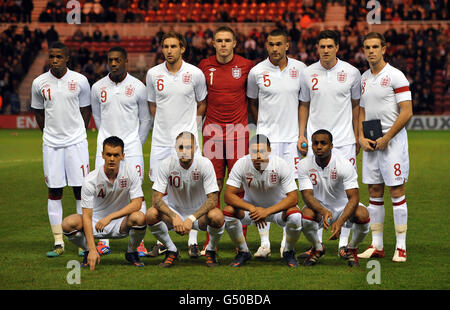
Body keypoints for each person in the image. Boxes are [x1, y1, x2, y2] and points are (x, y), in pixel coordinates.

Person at [298, 30, 361, 258]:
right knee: (315, 191)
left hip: (343, 141)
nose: (325, 50)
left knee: (346, 194)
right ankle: (317, 244)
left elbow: (356, 106)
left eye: (329, 46)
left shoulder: (352, 73)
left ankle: (343, 244)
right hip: (316, 142)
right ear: (318, 48)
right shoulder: (307, 73)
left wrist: (357, 135)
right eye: (322, 46)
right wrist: (302, 134)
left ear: (337, 48)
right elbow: (304, 104)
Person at [146, 31, 207, 258]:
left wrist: (193, 131)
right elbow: (153, 106)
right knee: (160, 191)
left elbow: (202, 103)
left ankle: (192, 240)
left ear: (182, 48)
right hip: (161, 142)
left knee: (192, 187)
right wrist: (163, 127)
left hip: (188, 142)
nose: (169, 50)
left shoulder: (195, 74)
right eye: (165, 46)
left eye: (174, 46)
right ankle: (165, 242)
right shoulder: (153, 74)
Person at [247, 28, 306, 258]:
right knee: (264, 189)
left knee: (288, 189)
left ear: (287, 45)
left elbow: (304, 103)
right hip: (266, 140)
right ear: (266, 45)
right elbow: (252, 102)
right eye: (271, 44)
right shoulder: (256, 72)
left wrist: (302, 135)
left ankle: (284, 242)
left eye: (279, 44)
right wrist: (263, 127)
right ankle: (264, 244)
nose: (274, 48)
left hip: (292, 140)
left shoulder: (300, 70)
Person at [31, 41, 91, 257]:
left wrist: (77, 134)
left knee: (80, 191)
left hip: (76, 144)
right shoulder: (39, 83)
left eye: (59, 57)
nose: (54, 60)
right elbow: (38, 113)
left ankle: (82, 241)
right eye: (52, 56)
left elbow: (86, 110)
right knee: (54, 191)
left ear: (67, 58)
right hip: (52, 145)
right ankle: (58, 242)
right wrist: (50, 134)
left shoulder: (80, 81)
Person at [197, 26, 254, 256]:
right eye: (219, 40)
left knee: (240, 186)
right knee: (214, 187)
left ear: (234, 43)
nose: (223, 44)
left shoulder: (246, 66)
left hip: (239, 133)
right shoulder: (204, 66)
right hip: (212, 133)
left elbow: (252, 100)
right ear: (213, 43)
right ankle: (211, 242)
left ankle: (242, 241)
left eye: (227, 40)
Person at [91, 46, 152, 257]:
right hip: (106, 149)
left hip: (132, 149)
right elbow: (97, 118)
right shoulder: (98, 87)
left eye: (117, 60)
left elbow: (145, 120)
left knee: (136, 194)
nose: (113, 63)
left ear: (126, 61)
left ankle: (138, 242)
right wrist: (108, 143)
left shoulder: (138, 87)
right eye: (110, 60)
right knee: (102, 193)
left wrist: (135, 144)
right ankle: (102, 240)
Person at [357, 32, 413, 262]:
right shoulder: (363, 78)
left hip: (393, 143)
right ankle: (377, 245)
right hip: (371, 142)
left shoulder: (395, 76)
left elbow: (407, 111)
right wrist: (360, 136)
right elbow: (361, 110)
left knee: (396, 192)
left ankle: (401, 247)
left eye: (374, 47)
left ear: (384, 49)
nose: (370, 51)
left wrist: (388, 137)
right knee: (374, 192)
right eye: (367, 47)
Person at [62, 136, 147, 270]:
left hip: (120, 222)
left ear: (123, 156)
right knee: (67, 224)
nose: (112, 159)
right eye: (108, 154)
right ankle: (87, 251)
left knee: (140, 217)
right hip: (96, 223)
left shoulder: (130, 171)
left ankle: (131, 252)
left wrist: (110, 217)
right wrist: (92, 249)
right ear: (102, 155)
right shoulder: (91, 180)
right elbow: (87, 216)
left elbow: (137, 204)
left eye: (116, 155)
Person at [222, 134, 303, 267]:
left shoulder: (280, 164)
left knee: (295, 216)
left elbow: (293, 198)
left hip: (278, 210)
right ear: (249, 151)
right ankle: (243, 251)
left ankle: (289, 251)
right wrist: (252, 209)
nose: (258, 155)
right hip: (252, 211)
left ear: (270, 150)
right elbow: (228, 195)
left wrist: (266, 211)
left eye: (262, 151)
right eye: (254, 151)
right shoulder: (242, 163)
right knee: (228, 212)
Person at [146, 132, 224, 267]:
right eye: (181, 147)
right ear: (176, 148)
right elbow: (156, 198)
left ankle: (211, 250)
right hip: (173, 212)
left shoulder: (205, 164)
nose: (185, 151)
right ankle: (171, 250)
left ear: (196, 148)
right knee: (150, 214)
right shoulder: (167, 164)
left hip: (198, 215)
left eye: (189, 147)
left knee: (217, 216)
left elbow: (213, 199)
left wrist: (191, 219)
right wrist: (174, 216)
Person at [298, 129, 370, 267]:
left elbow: (354, 198)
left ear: (331, 146)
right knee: (305, 216)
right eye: (315, 143)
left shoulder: (344, 165)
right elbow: (307, 195)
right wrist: (324, 211)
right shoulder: (304, 165)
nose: (319, 146)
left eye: (323, 143)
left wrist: (341, 221)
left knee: (363, 215)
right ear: (311, 145)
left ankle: (352, 248)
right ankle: (317, 248)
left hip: (344, 207)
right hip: (320, 207)